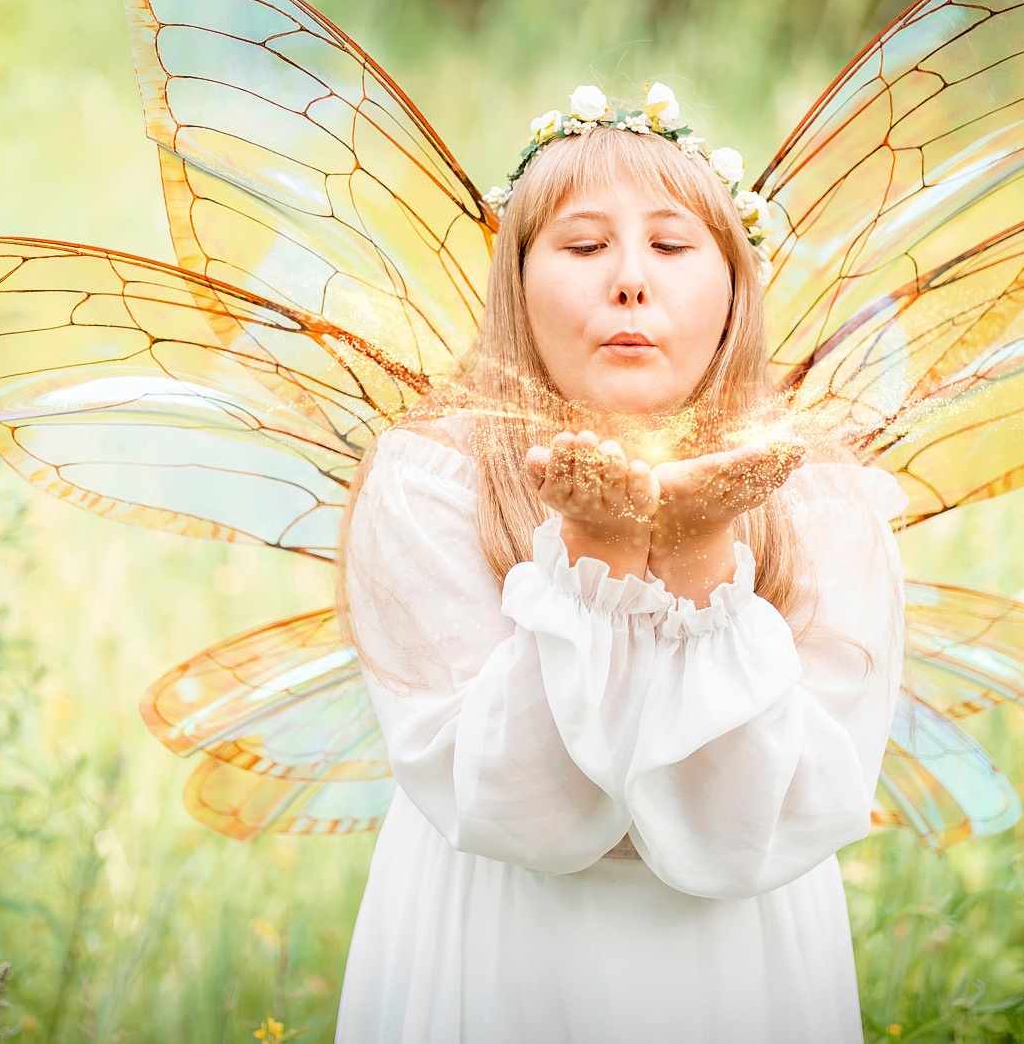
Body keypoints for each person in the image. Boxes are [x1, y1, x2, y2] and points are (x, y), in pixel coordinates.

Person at [332, 116, 910, 1042]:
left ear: (735, 289)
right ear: (517, 285)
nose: (630, 277)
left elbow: (791, 814)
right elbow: (519, 815)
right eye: (584, 242)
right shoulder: (428, 477)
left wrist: (698, 558)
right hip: (502, 948)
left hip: (735, 964)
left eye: (674, 243)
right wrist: (597, 559)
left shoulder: (820, 493)